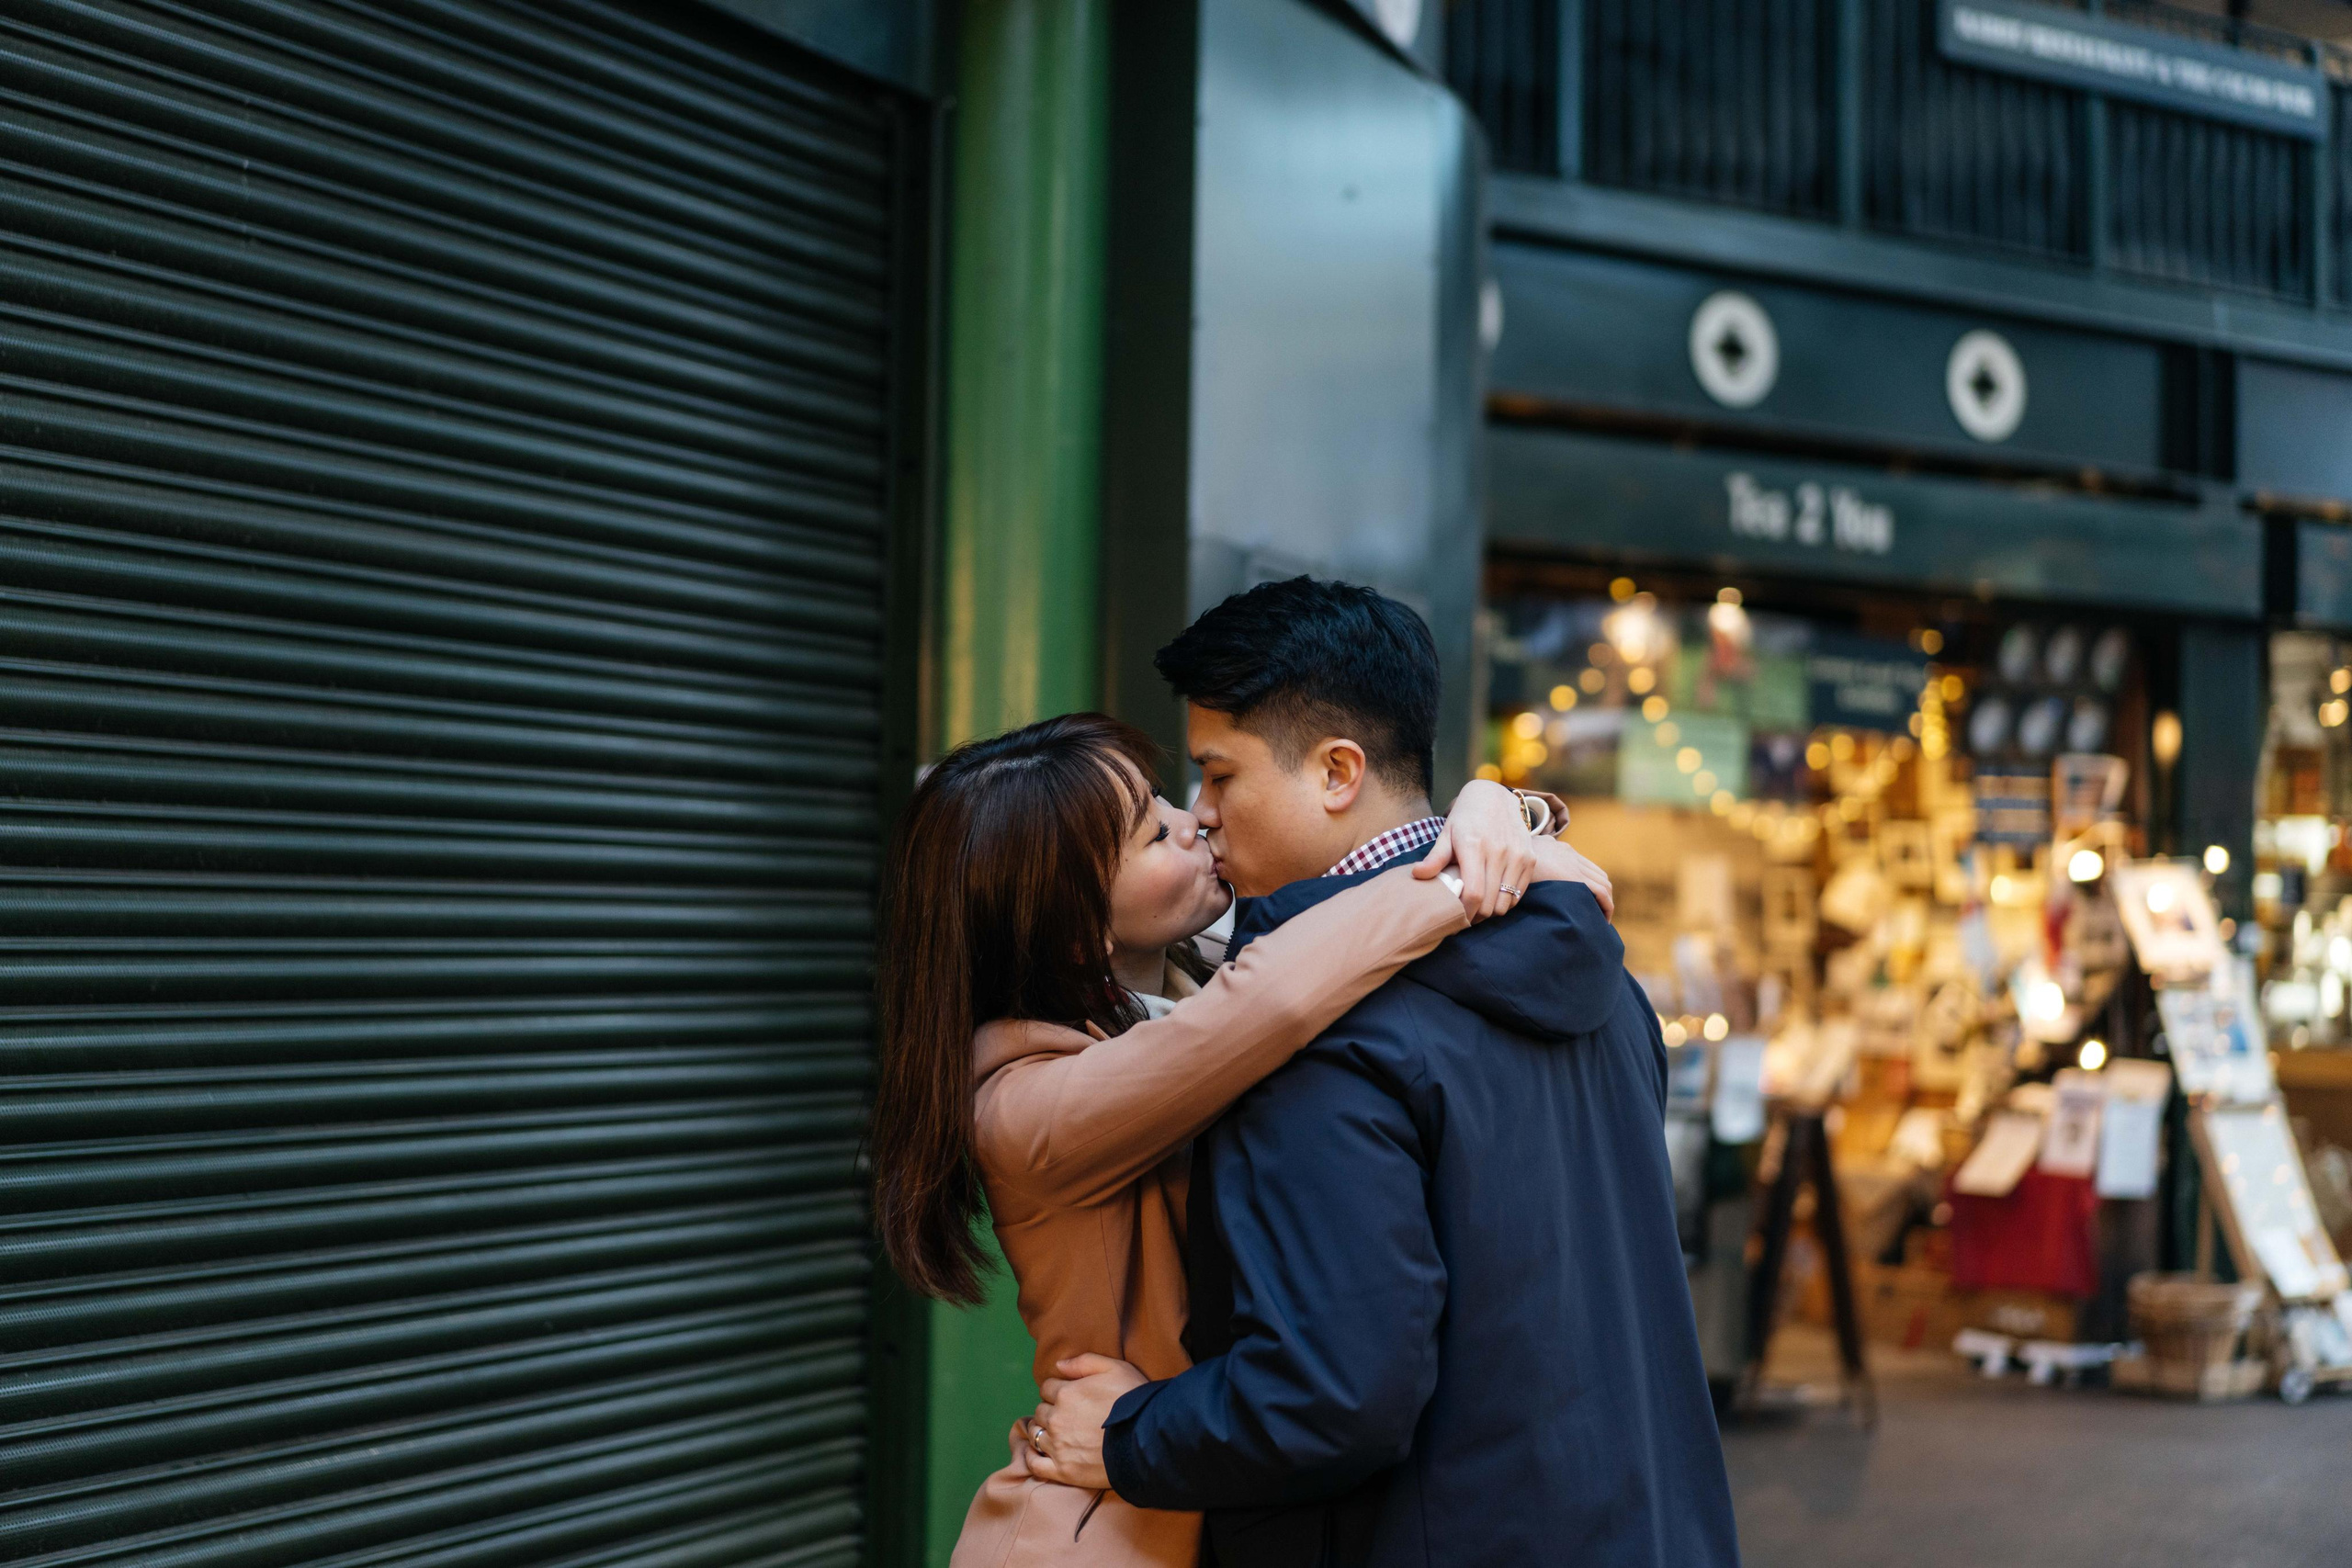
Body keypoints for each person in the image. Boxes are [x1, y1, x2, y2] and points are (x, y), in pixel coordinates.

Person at [1026, 579, 1739, 1568]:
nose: (1204, 815)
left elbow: (1331, 1392)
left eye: (1219, 775)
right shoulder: (1603, 979)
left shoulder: (1313, 1033)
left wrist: (1126, 1434)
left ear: (1337, 772)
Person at [868, 709, 1611, 1567]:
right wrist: (1458, 879)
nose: (1198, 820)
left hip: (1201, 1492)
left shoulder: (1189, 974)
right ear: (1079, 929)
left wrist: (1500, 810)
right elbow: (1271, 1000)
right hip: (1102, 1526)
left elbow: (1324, 921)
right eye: (1154, 833)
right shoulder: (1029, 1108)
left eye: (1166, 799)